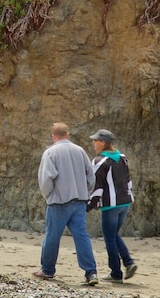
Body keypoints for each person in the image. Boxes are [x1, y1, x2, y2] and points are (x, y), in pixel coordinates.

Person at [34, 122, 100, 285]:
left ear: (53, 136)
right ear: (68, 135)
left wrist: (48, 196)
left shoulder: (50, 153)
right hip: (79, 201)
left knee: (52, 236)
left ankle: (48, 270)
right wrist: (85, 192)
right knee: (81, 236)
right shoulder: (80, 151)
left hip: (59, 201)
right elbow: (91, 177)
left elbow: (46, 180)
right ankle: (91, 272)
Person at [89, 128, 138, 284]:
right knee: (114, 235)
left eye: (95, 140)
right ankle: (127, 263)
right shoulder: (122, 157)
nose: (93, 143)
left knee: (110, 237)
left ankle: (117, 272)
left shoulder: (99, 161)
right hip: (125, 202)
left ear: (103, 143)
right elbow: (128, 180)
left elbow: (96, 187)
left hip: (111, 205)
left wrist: (88, 206)